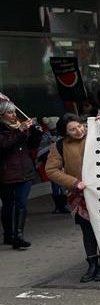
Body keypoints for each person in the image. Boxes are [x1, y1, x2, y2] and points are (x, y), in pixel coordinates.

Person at [45, 114, 100, 282]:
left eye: (80, 126)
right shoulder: (59, 146)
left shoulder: (97, 134)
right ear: (65, 132)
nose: (79, 131)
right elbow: (51, 170)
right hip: (79, 194)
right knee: (87, 230)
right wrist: (74, 183)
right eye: (72, 129)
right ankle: (92, 263)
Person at [1, 100, 40, 250]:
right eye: (9, 112)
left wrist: (35, 131)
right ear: (1, 115)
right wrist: (20, 131)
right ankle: (8, 234)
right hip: (6, 173)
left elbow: (32, 145)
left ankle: (18, 235)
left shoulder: (21, 127)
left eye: (14, 112)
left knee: (21, 203)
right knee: (8, 205)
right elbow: (4, 144)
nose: (13, 115)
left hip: (25, 171)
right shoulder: (3, 129)